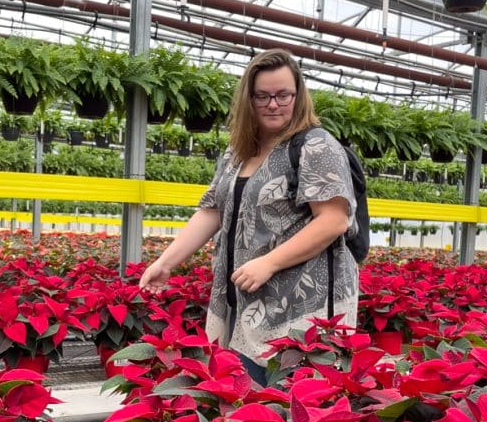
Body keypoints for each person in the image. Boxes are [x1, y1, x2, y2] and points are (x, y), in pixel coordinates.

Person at [139, 48, 359, 383]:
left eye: (283, 95)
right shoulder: (238, 152)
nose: (273, 104)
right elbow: (212, 210)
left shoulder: (316, 145)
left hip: (297, 312)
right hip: (244, 304)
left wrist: (269, 263)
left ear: (298, 96)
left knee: (288, 408)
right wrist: (166, 262)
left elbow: (333, 220)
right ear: (248, 99)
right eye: (263, 96)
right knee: (246, 405)